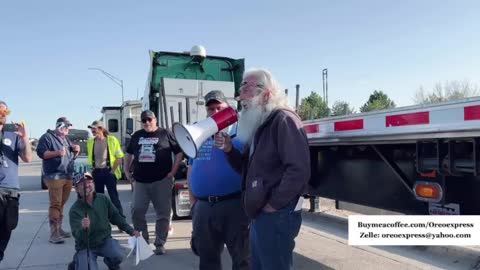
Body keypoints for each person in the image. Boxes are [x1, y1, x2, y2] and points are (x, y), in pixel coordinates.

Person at [215, 68, 311, 270]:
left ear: (266, 94)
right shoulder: (261, 126)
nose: (240, 95)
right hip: (261, 214)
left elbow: (298, 170)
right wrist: (229, 149)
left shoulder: (283, 120)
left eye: (245, 87)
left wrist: (273, 205)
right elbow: (246, 170)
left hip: (276, 215)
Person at [187, 90, 250, 270]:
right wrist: (193, 203)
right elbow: (192, 169)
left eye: (219, 108)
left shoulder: (242, 131)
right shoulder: (200, 135)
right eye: (210, 109)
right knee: (207, 259)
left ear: (228, 108)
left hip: (235, 205)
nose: (214, 112)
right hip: (204, 207)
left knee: (243, 258)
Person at [124, 110, 183, 255]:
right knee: (137, 210)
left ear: (155, 120)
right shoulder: (137, 136)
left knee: (163, 213)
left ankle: (159, 243)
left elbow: (179, 153)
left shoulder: (165, 133)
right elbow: (128, 154)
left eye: (149, 119)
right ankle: (143, 241)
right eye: (144, 120)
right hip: (141, 181)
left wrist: (173, 171)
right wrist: (126, 171)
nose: (147, 123)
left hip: (162, 180)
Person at [69, 172, 140, 270]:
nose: (87, 185)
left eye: (89, 182)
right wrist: (83, 228)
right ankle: (77, 262)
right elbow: (77, 235)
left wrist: (132, 231)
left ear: (93, 183)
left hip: (104, 241)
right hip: (86, 246)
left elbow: (116, 217)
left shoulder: (103, 199)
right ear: (76, 188)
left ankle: (112, 264)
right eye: (82, 184)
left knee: (119, 255)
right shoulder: (74, 210)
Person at [36, 117, 80, 244]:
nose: (68, 129)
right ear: (59, 126)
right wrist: (57, 153)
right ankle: (54, 234)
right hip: (54, 175)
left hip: (67, 175)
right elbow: (42, 154)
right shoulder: (47, 137)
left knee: (61, 203)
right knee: (55, 204)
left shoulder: (65, 139)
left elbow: (70, 155)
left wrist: (76, 151)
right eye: (66, 127)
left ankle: (59, 229)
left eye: (68, 127)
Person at [0, 101, 32, 262]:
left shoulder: (12, 136)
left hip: (11, 190)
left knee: (8, 227)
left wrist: (25, 138)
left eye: (5, 111)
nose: (2, 114)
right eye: (0, 111)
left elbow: (28, 158)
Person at [86, 120, 125, 217]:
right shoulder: (91, 142)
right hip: (96, 173)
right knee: (98, 198)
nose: (92, 130)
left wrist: (112, 172)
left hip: (108, 172)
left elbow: (119, 157)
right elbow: (91, 158)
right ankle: (101, 219)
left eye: (94, 128)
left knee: (114, 197)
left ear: (101, 129)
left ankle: (120, 219)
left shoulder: (111, 140)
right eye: (91, 129)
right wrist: (90, 173)